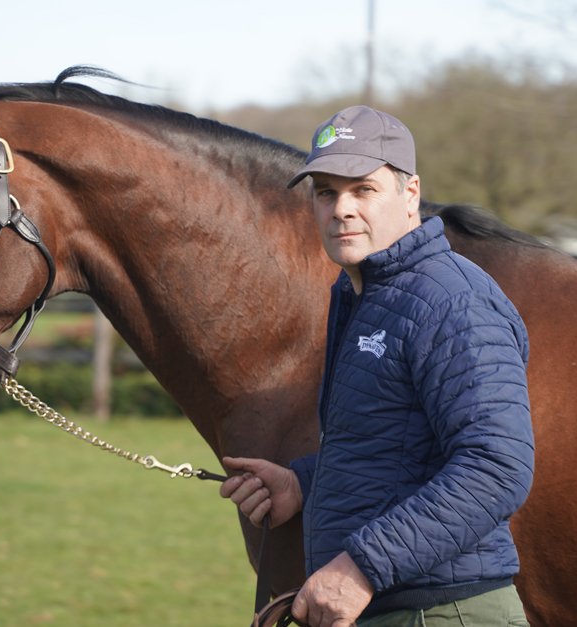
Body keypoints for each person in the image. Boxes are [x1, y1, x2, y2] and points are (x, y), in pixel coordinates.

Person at [221, 105, 534, 627]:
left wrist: (359, 569)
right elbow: (395, 445)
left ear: (410, 194)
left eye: (363, 189)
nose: (341, 209)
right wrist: (303, 484)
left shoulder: (453, 300)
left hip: (444, 611)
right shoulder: (363, 293)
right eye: (326, 192)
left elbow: (497, 467)